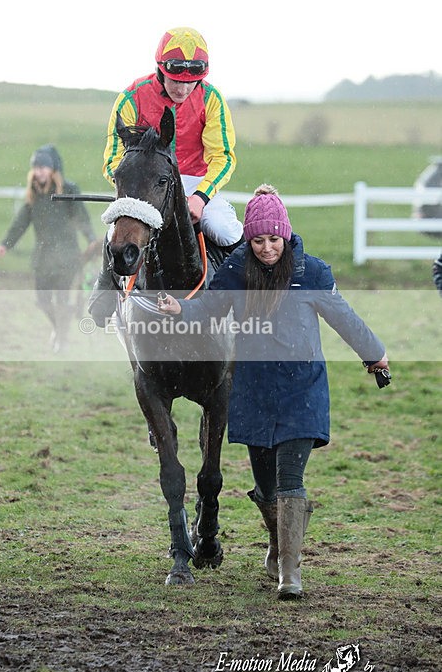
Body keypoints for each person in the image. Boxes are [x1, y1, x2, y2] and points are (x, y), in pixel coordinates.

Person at [158, 184, 390, 600]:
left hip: (302, 392)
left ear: (286, 235)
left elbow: (344, 318)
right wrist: (181, 309)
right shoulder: (236, 272)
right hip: (253, 393)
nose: (267, 248)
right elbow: (210, 307)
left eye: (274, 239)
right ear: (250, 239)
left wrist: (374, 355)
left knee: (289, 480)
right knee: (266, 487)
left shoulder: (311, 273)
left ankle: (290, 573)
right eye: (259, 240)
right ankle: (280, 542)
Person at [89, 26, 244, 324]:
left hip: (196, 181)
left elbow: (223, 157)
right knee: (117, 232)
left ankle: (243, 300)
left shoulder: (211, 99)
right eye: (176, 81)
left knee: (226, 230)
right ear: (161, 70)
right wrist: (137, 194)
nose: (183, 90)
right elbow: (113, 161)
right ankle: (104, 292)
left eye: (192, 83)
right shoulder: (131, 97)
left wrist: (200, 197)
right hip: (145, 183)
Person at [0, 144, 96, 353]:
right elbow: (21, 222)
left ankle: (62, 340)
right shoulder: (34, 195)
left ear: (53, 169)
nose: (39, 171)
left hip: (67, 257)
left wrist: (91, 238)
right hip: (43, 258)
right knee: (42, 301)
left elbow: (81, 217)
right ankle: (58, 330)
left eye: (44, 167)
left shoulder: (68, 191)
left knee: (61, 300)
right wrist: (6, 243)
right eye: (36, 167)